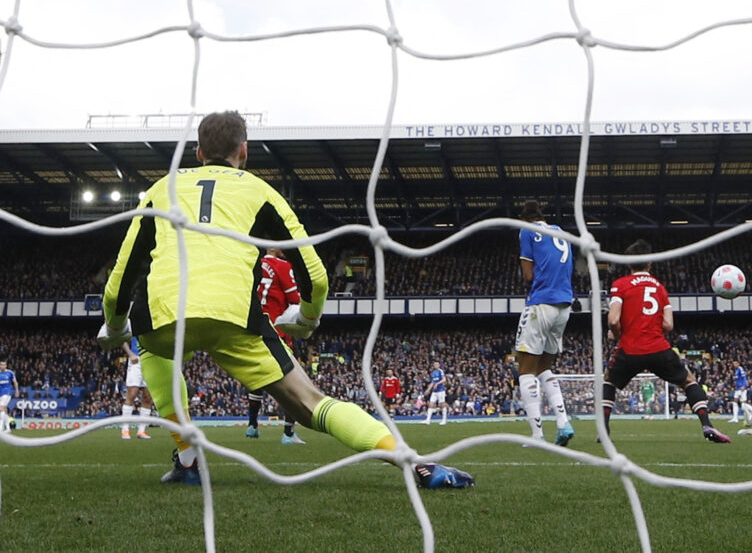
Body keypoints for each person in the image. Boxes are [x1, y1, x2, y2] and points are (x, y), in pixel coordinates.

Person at [98, 111, 472, 490]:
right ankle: (414, 463)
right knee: (312, 404)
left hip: (163, 314)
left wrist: (114, 325)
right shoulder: (259, 190)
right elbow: (315, 274)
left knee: (156, 353)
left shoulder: (163, 188)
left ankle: (188, 461)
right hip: (236, 317)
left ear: (197, 152)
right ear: (243, 152)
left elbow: (122, 275)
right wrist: (308, 319)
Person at [602, 239, 730, 443]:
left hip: (630, 348)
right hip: (658, 348)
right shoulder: (660, 288)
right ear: (650, 263)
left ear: (628, 263)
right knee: (689, 381)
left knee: (608, 381)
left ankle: (604, 429)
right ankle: (707, 425)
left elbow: (613, 319)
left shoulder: (620, 285)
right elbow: (668, 325)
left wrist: (616, 333)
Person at [515, 199, 574, 446]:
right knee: (544, 368)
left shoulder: (527, 231)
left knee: (525, 370)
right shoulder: (562, 232)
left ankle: (537, 435)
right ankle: (563, 422)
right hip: (564, 305)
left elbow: (528, 274)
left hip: (541, 302)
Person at [246, 247, 305, 445]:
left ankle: (252, 425)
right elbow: (295, 299)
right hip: (276, 330)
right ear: (274, 247)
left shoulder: (252, 262)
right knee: (291, 378)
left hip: (254, 328)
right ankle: (288, 433)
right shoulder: (282, 265)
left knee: (258, 376)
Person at [121, 337, 154, 440]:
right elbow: (121, 338)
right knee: (132, 394)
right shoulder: (132, 322)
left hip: (151, 361)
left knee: (148, 397)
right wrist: (130, 354)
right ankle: (125, 429)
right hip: (136, 360)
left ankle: (141, 431)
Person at [421, 361, 449, 426]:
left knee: (442, 405)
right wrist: (428, 390)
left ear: (439, 365)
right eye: (435, 364)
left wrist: (438, 383)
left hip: (441, 390)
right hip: (434, 391)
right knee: (431, 404)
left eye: (437, 364)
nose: (436, 365)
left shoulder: (440, 371)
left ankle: (444, 420)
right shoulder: (433, 373)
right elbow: (432, 382)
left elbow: (444, 379)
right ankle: (428, 420)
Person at [0, 359, 19, 433]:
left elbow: (15, 382)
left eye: (4, 364)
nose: (2, 366)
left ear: (6, 365)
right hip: (0, 393)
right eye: (1, 364)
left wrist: (17, 391)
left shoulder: (10, 373)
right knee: (3, 410)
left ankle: (1, 428)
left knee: (1, 408)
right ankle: (8, 428)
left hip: (7, 392)